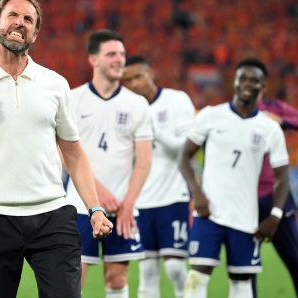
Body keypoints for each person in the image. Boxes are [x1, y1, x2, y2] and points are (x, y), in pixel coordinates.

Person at [0, 0, 113, 297]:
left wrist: (94, 208)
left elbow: (74, 153)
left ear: (35, 33)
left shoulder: (55, 84)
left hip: (52, 214)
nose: (20, 22)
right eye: (12, 15)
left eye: (28, 19)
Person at [178, 57, 290, 298]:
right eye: (243, 78)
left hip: (245, 219)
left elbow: (282, 176)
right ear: (235, 81)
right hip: (208, 214)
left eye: (255, 80)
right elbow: (184, 157)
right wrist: (196, 192)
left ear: (263, 87)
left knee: (241, 283)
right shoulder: (210, 116)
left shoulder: (269, 128)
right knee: (196, 276)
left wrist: (275, 216)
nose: (248, 83)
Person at [65, 31, 153, 298]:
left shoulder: (137, 104)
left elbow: (145, 160)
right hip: (80, 205)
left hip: (122, 208)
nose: (119, 60)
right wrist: (97, 195)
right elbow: (64, 152)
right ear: (94, 59)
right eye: (112, 54)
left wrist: (128, 204)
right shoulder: (73, 99)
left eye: (122, 55)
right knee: (73, 279)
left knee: (117, 279)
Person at [122, 55, 194, 298]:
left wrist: (152, 129)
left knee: (175, 267)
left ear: (150, 73)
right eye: (128, 80)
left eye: (138, 76)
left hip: (173, 197)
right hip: (141, 202)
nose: (133, 84)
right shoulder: (127, 110)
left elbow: (186, 149)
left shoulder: (176, 100)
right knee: (147, 271)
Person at [252, 95, 298, 297]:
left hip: (276, 195)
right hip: (245, 198)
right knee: (245, 268)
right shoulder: (231, 113)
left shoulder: (273, 107)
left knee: (295, 259)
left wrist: (282, 121)